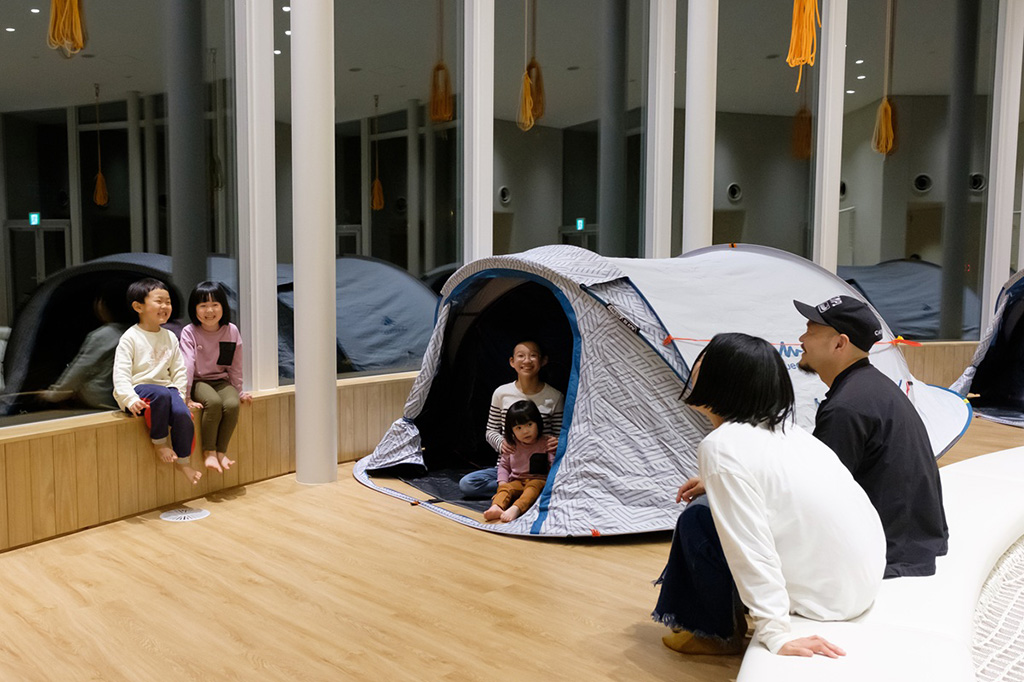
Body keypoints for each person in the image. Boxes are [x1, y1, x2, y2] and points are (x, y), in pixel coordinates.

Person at [652, 332, 885, 658]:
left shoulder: (721, 446)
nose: (695, 368)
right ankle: (710, 622)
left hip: (827, 599)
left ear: (723, 380)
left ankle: (713, 635)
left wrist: (775, 634)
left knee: (698, 518)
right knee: (708, 508)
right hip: (860, 583)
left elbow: (751, 547)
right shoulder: (789, 432)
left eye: (705, 361)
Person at [794, 295, 949, 578]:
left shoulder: (847, 407)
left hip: (887, 557)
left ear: (839, 343)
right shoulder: (872, 387)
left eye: (810, 330)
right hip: (913, 544)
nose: (801, 339)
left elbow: (817, 495)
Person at [112, 278, 201, 485]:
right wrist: (129, 398)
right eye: (159, 301)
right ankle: (160, 443)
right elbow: (121, 373)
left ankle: (184, 462)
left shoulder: (169, 336)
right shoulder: (130, 337)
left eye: (168, 302)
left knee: (183, 414)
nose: (165, 306)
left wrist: (180, 396)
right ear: (138, 307)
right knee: (160, 394)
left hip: (166, 390)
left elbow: (179, 370)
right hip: (138, 391)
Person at [458, 340, 564, 498]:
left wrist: (557, 442)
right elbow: (491, 430)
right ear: (512, 362)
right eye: (521, 356)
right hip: (510, 469)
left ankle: (524, 490)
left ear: (543, 361)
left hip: (540, 471)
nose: (527, 361)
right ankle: (521, 491)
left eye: (533, 356)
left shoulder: (554, 396)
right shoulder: (501, 393)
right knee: (468, 484)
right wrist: (502, 443)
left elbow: (560, 434)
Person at [180, 281, 252, 473]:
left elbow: (235, 365)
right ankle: (209, 452)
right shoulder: (189, 332)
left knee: (232, 404)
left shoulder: (231, 330)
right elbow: (187, 365)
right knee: (213, 402)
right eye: (203, 305)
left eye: (215, 304)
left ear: (223, 306)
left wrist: (239, 391)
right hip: (198, 381)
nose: (209, 310)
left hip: (221, 380)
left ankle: (221, 452)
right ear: (194, 309)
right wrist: (186, 396)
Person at [41, 289, 129, 410]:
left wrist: (54, 394)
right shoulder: (136, 331)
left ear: (103, 305)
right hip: (124, 400)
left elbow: (80, 369)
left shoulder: (104, 335)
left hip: (101, 401)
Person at [483, 400, 554, 523]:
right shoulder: (512, 445)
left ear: (538, 423)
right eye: (519, 428)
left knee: (532, 488)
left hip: (538, 480)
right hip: (517, 480)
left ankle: (516, 508)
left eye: (529, 425)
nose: (525, 431)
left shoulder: (546, 443)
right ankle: (497, 507)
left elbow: (553, 465)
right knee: (506, 488)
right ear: (512, 431)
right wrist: (502, 483)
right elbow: (504, 466)